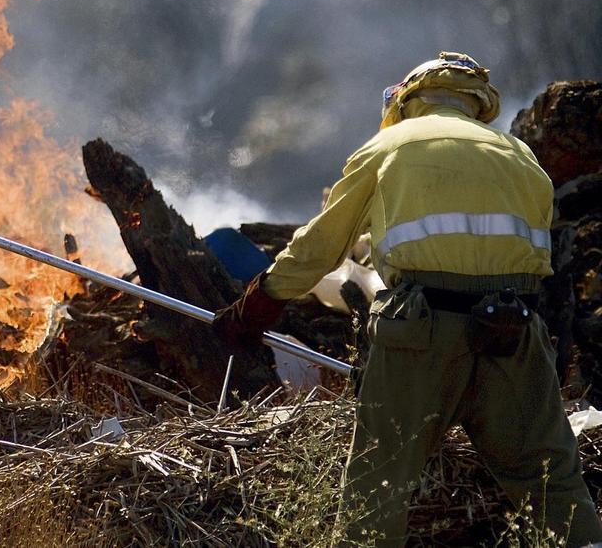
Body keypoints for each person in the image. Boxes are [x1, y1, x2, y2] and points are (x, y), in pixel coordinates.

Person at [214, 52, 602, 546]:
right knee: (553, 485)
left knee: (376, 494)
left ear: (407, 99)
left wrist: (261, 301)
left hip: (419, 334)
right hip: (513, 332)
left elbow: (319, 247)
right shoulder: (519, 154)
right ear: (477, 103)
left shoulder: (389, 145)